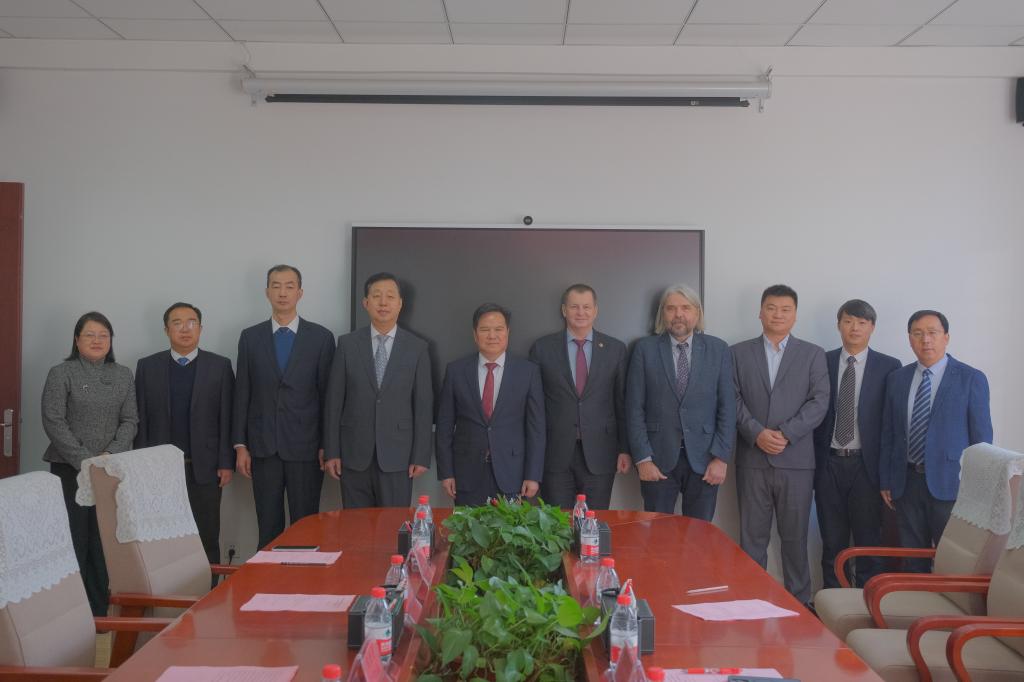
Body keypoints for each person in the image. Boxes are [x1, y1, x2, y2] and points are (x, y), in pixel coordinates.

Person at [732, 284, 828, 606]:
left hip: (796, 461)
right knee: (752, 540)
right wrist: (756, 433)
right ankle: (750, 601)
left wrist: (786, 433)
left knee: (795, 540)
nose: (778, 314)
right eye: (771, 308)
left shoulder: (812, 354)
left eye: (785, 309)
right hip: (752, 458)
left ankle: (799, 604)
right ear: (760, 312)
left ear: (795, 315)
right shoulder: (738, 353)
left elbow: (819, 402)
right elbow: (731, 399)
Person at [879, 310, 992, 573]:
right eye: (918, 334)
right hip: (906, 483)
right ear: (909, 339)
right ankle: (916, 599)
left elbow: (982, 441)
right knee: (912, 558)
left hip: (951, 483)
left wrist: (977, 487)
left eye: (932, 333)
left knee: (952, 559)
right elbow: (889, 433)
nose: (925, 340)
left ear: (946, 337)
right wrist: (886, 479)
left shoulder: (970, 378)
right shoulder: (897, 379)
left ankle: (947, 601)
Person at [41, 311, 137, 616]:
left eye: (103, 335)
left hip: (110, 470)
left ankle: (98, 612)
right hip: (69, 469)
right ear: (76, 339)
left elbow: (130, 420)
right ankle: (70, 614)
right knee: (74, 539)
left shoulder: (123, 374)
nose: (97, 341)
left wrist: (109, 455)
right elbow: (53, 420)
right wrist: (85, 460)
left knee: (103, 540)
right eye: (90, 335)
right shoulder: (61, 373)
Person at [233, 265, 335, 549]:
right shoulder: (250, 337)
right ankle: (267, 576)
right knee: (268, 526)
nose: (282, 292)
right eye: (276, 286)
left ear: (300, 293)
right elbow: (242, 393)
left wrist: (327, 444)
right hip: (263, 446)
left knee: (306, 525)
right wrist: (240, 445)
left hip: (306, 447)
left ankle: (304, 575)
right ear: (267, 292)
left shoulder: (321, 338)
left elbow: (328, 397)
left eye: (289, 286)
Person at [135, 302, 235, 566]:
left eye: (191, 322)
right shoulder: (147, 367)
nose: (185, 329)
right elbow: (140, 420)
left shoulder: (220, 366)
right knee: (163, 537)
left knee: (207, 536)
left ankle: (210, 589)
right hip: (159, 469)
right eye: (177, 323)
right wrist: (141, 465)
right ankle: (167, 588)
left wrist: (226, 463)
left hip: (205, 467)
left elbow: (227, 418)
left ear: (200, 328)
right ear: (166, 330)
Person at [625, 284, 735, 520]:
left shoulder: (718, 350)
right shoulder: (644, 349)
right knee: (657, 534)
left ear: (697, 312)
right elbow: (633, 408)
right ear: (662, 313)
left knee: (699, 535)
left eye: (686, 308)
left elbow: (727, 407)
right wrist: (643, 459)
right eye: (671, 308)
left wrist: (721, 458)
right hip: (657, 459)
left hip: (705, 460)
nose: (678, 314)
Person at [812, 299, 901, 588]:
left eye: (862, 322)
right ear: (838, 325)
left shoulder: (889, 366)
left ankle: (867, 601)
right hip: (828, 463)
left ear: (872, 327)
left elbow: (892, 425)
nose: (855, 328)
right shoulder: (821, 361)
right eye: (848, 321)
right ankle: (832, 602)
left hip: (867, 466)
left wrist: (887, 475)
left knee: (868, 541)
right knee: (831, 541)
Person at [323, 272, 433, 508]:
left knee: (393, 525)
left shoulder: (417, 348)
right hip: (353, 454)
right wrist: (332, 451)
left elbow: (423, 406)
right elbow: (334, 402)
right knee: (355, 525)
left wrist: (421, 455)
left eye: (390, 297)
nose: (383, 302)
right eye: (376, 296)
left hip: (398, 456)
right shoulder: (347, 344)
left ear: (400, 303)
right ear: (366, 303)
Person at [528, 284, 629, 510]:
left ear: (596, 311)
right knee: (556, 524)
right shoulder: (542, 348)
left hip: (601, 452)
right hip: (555, 453)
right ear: (564, 310)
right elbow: (534, 409)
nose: (580, 312)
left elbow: (621, 404)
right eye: (574, 307)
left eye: (586, 307)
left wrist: (624, 448)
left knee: (594, 521)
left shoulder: (615, 349)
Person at [436, 303, 545, 506]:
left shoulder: (528, 372)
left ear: (507, 332)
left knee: (510, 527)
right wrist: (446, 472)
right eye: (485, 329)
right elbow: (444, 426)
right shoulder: (456, 371)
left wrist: (533, 475)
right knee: (467, 527)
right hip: (466, 473)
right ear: (475, 334)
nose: (492, 335)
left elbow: (536, 428)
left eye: (498, 329)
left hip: (513, 473)